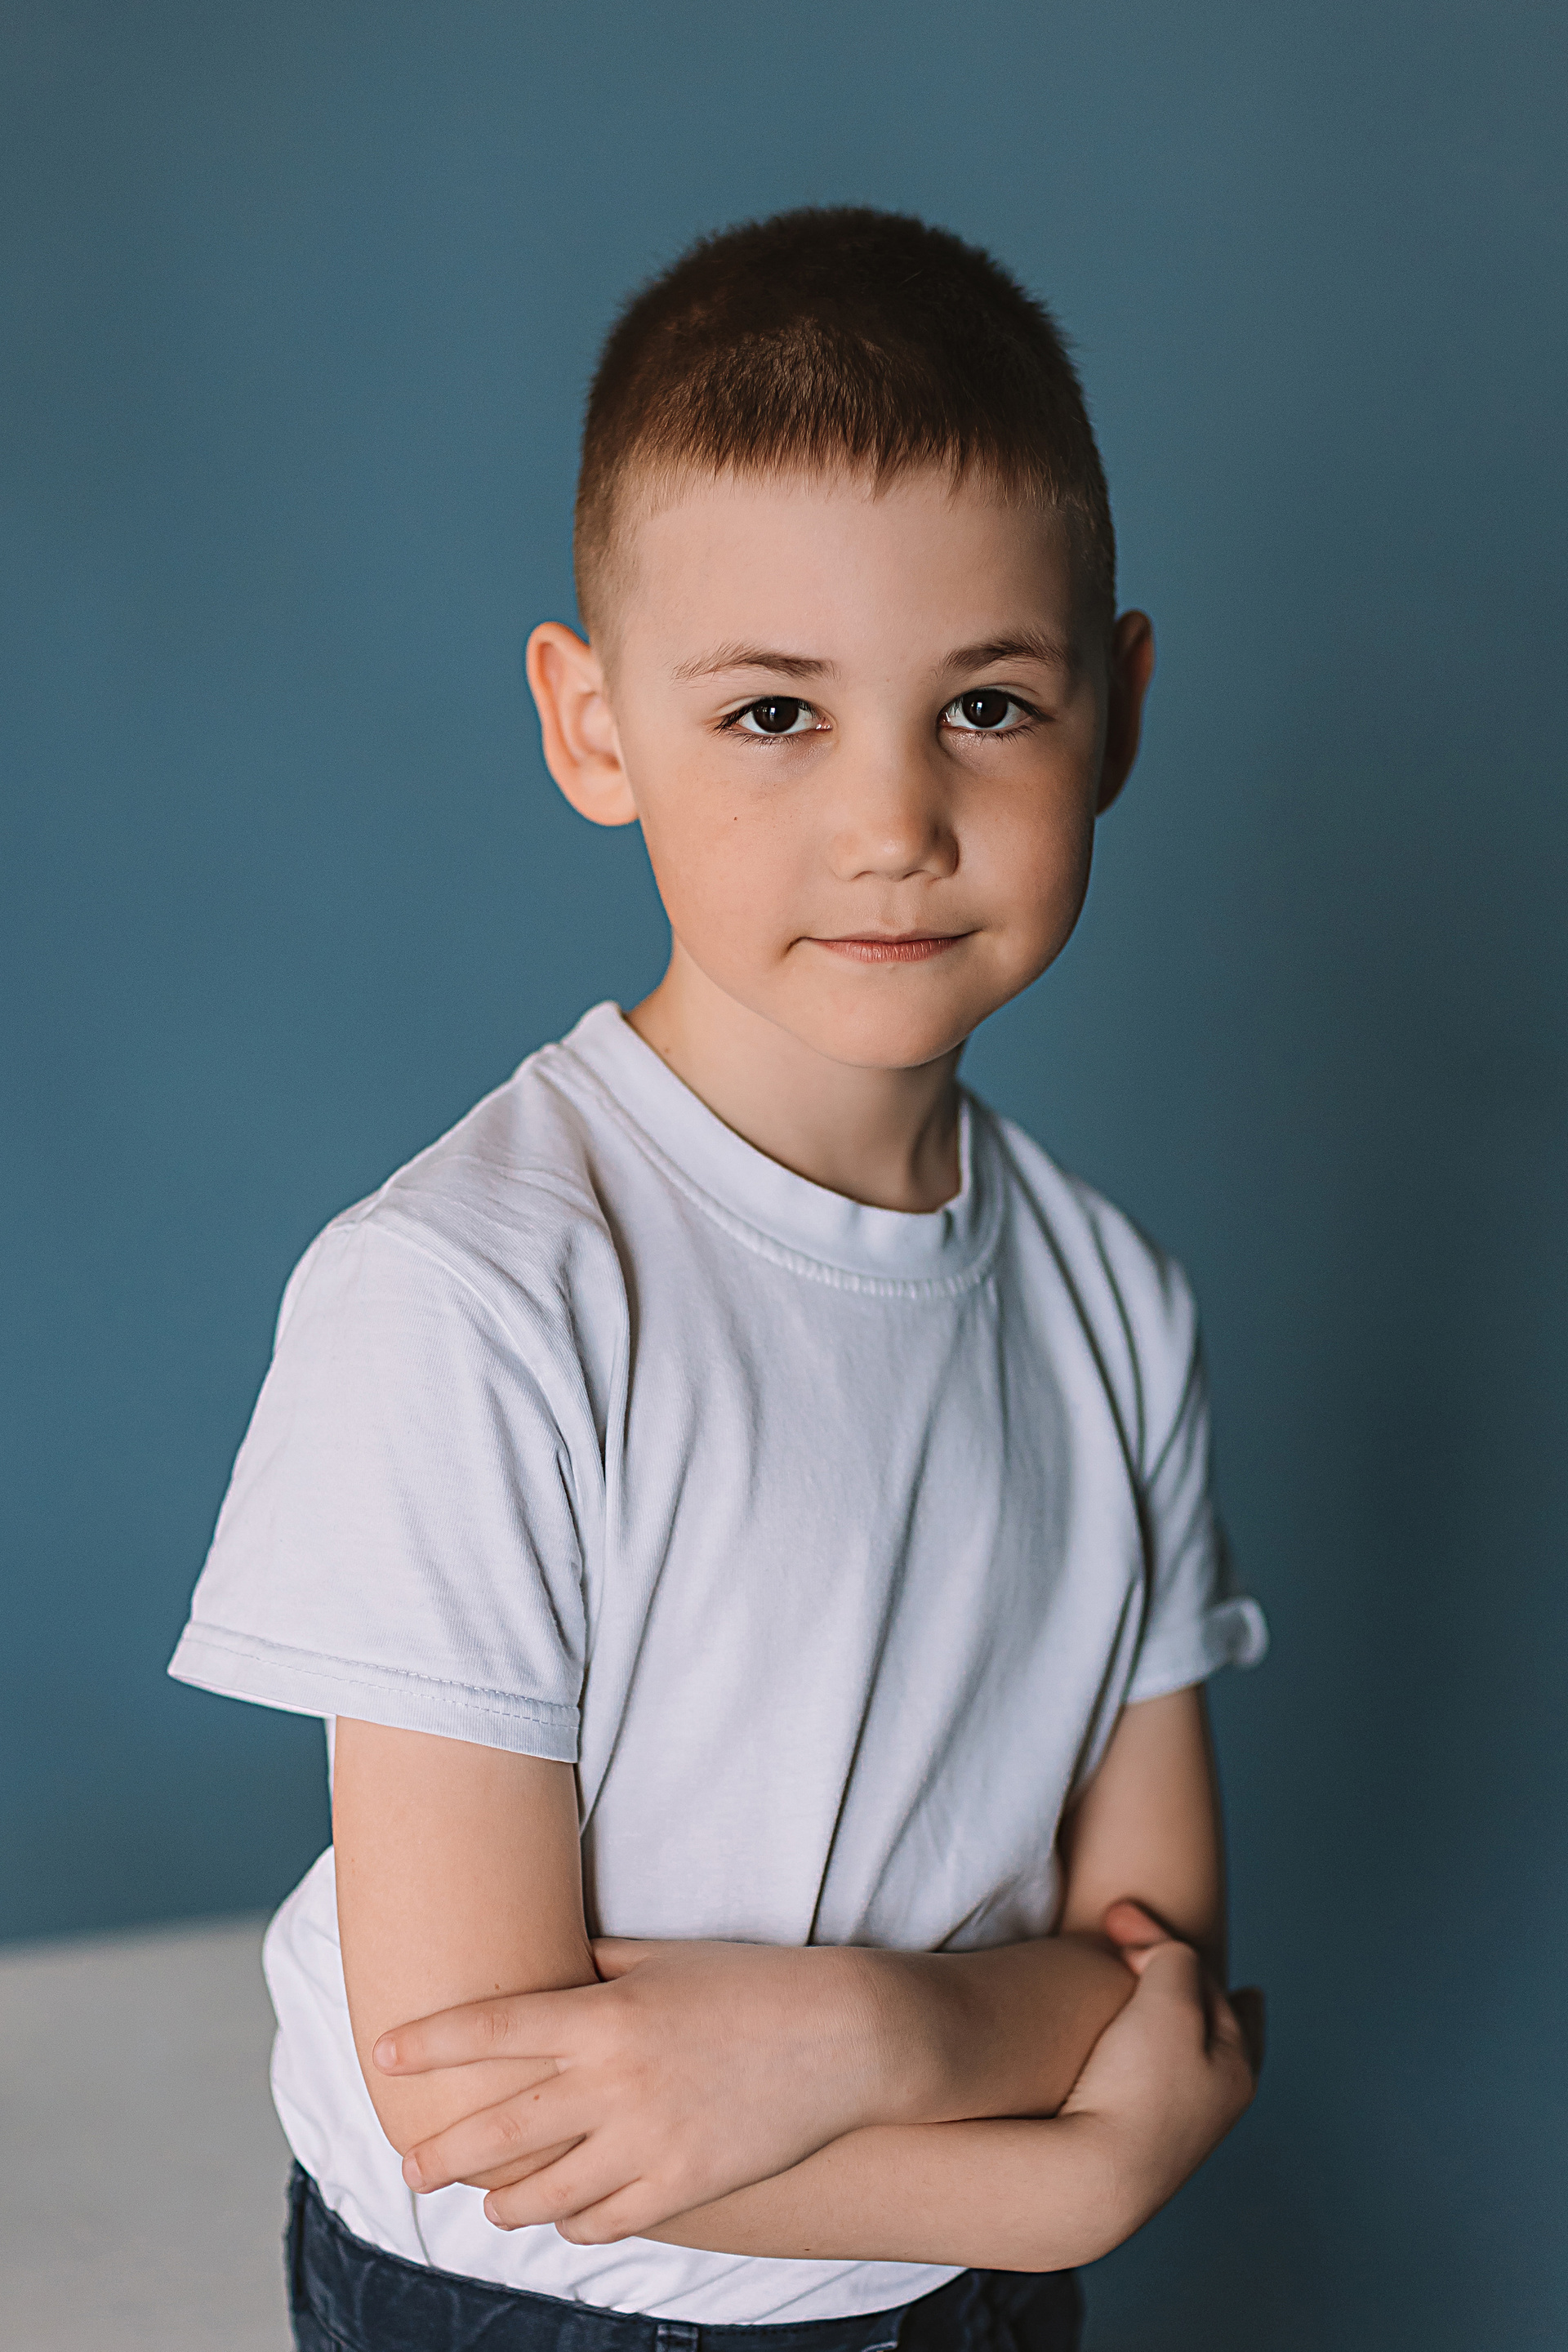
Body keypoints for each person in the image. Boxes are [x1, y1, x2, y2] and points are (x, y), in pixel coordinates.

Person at [170, 206, 1268, 2352]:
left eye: (988, 704)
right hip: (536, 2312)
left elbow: (1156, 1972)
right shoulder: (472, 1297)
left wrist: (860, 2034)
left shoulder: (1114, 1306)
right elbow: (482, 2111)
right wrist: (1077, 2167)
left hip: (968, 2299)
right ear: (593, 729)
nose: (892, 819)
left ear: (1118, 715)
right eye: (775, 710)